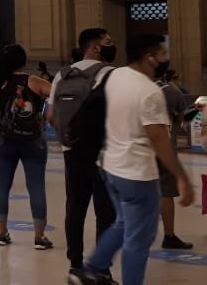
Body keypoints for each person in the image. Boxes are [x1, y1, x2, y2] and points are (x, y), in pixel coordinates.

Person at [71, 35, 195, 285]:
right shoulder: (149, 91)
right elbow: (159, 139)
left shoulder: (114, 76)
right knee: (139, 238)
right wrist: (182, 178)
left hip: (110, 167)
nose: (165, 58)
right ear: (150, 58)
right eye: (162, 53)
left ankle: (90, 269)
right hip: (137, 174)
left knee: (123, 223)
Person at [48, 28, 118, 277]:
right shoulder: (109, 73)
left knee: (75, 209)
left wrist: (68, 136)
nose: (112, 45)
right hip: (102, 153)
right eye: (108, 41)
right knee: (105, 212)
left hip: (72, 151)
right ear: (96, 47)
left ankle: (75, 264)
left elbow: (50, 115)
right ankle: (101, 270)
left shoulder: (62, 74)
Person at [0, 44, 53, 249]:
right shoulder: (34, 81)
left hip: (4, 140)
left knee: (2, 185)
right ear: (23, 61)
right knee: (36, 186)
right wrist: (45, 116)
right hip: (33, 141)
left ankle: (2, 232)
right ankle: (39, 236)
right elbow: (57, 94)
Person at [156, 68, 193, 249]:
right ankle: (169, 235)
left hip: (137, 145)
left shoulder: (136, 87)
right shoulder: (173, 92)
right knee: (166, 189)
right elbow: (180, 120)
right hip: (162, 141)